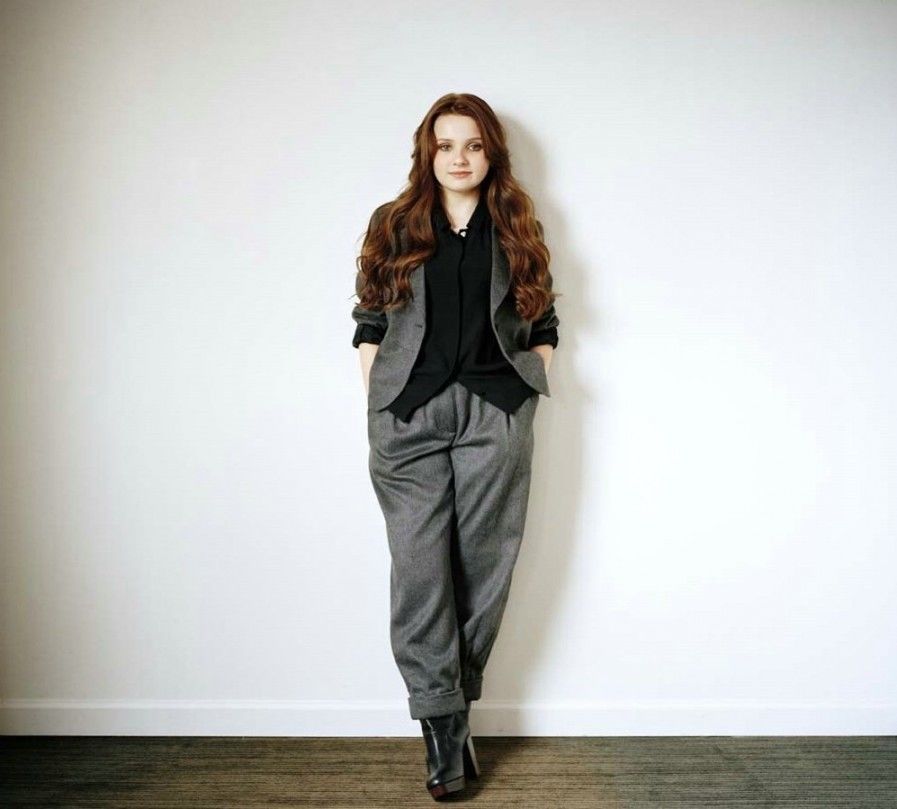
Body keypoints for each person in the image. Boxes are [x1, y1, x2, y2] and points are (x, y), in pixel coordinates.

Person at [350, 92, 560, 800]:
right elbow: (370, 317)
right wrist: (377, 393)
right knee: (421, 572)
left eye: (472, 145)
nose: (459, 158)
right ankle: (442, 722)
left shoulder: (516, 223)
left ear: (490, 152)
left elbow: (542, 320)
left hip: (494, 411)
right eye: (446, 145)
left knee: (483, 567)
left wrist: (525, 392)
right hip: (408, 415)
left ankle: (450, 711)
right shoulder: (395, 222)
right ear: (428, 153)